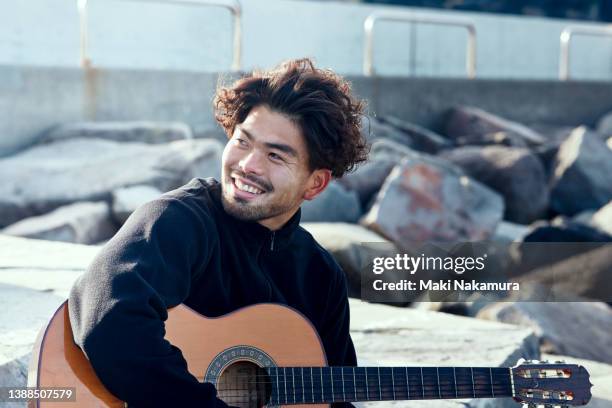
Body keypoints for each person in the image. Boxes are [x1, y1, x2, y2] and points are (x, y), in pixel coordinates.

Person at [68, 58, 369, 408]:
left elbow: (335, 395)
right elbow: (110, 323)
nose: (248, 165)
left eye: (274, 155)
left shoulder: (320, 276)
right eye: (243, 141)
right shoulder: (178, 221)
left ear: (315, 183)